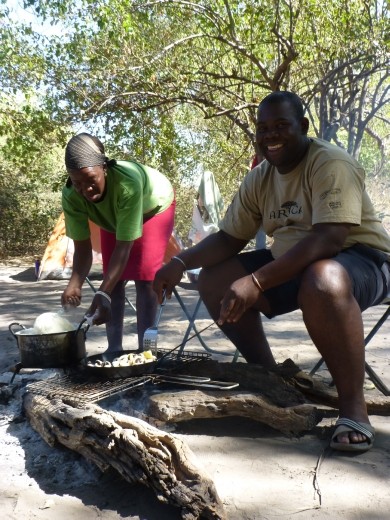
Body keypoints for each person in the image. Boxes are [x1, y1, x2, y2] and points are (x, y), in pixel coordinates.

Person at [153, 91, 390, 452]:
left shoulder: (329, 163)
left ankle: (353, 408)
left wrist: (257, 280)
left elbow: (329, 239)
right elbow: (230, 238)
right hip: (298, 261)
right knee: (215, 280)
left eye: (281, 125)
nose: (270, 135)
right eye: (263, 128)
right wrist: (179, 262)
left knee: (322, 279)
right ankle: (272, 382)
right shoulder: (260, 177)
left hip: (362, 258)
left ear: (303, 127)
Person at [61, 133, 175, 352]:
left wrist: (101, 292)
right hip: (112, 218)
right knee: (111, 280)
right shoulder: (71, 195)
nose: (85, 189)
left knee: (145, 280)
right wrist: (75, 283)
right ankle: (114, 351)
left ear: (104, 168)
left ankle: (145, 352)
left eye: (90, 180)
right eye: (77, 183)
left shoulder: (126, 184)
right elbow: (82, 247)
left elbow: (125, 247)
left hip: (152, 208)